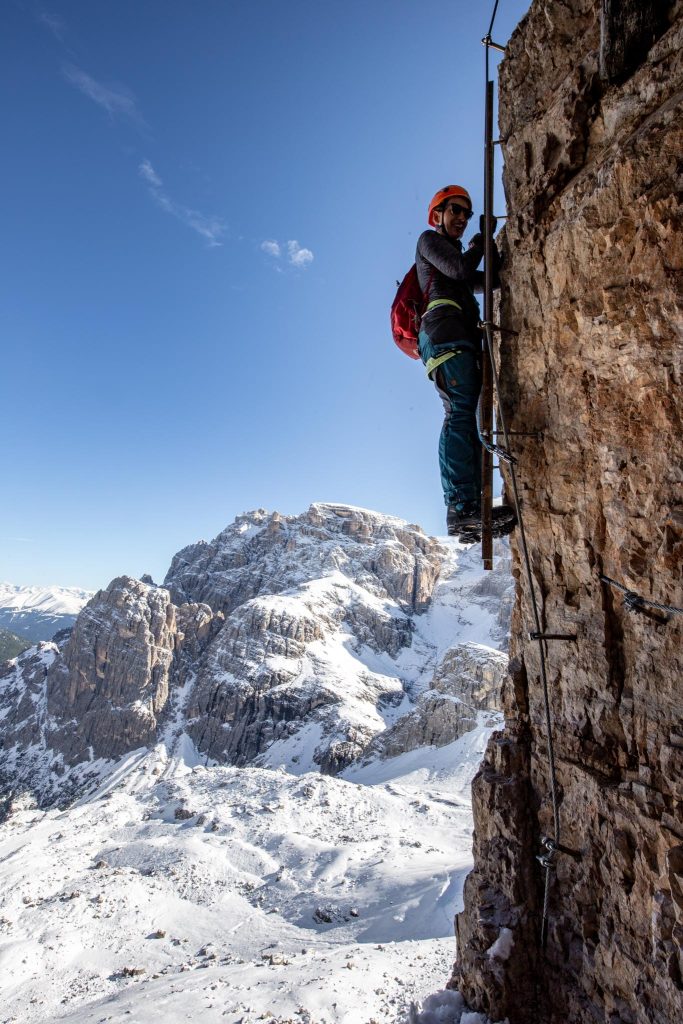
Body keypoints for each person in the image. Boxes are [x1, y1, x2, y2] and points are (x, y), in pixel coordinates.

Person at [416, 184, 515, 538]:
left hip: (458, 335)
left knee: (470, 416)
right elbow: (459, 270)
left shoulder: (454, 254)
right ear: (437, 215)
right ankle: (459, 507)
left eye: (465, 213)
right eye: (454, 210)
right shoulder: (428, 241)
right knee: (459, 412)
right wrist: (480, 241)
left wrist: (492, 251)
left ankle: (470, 506)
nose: (460, 217)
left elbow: (487, 281)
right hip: (444, 334)